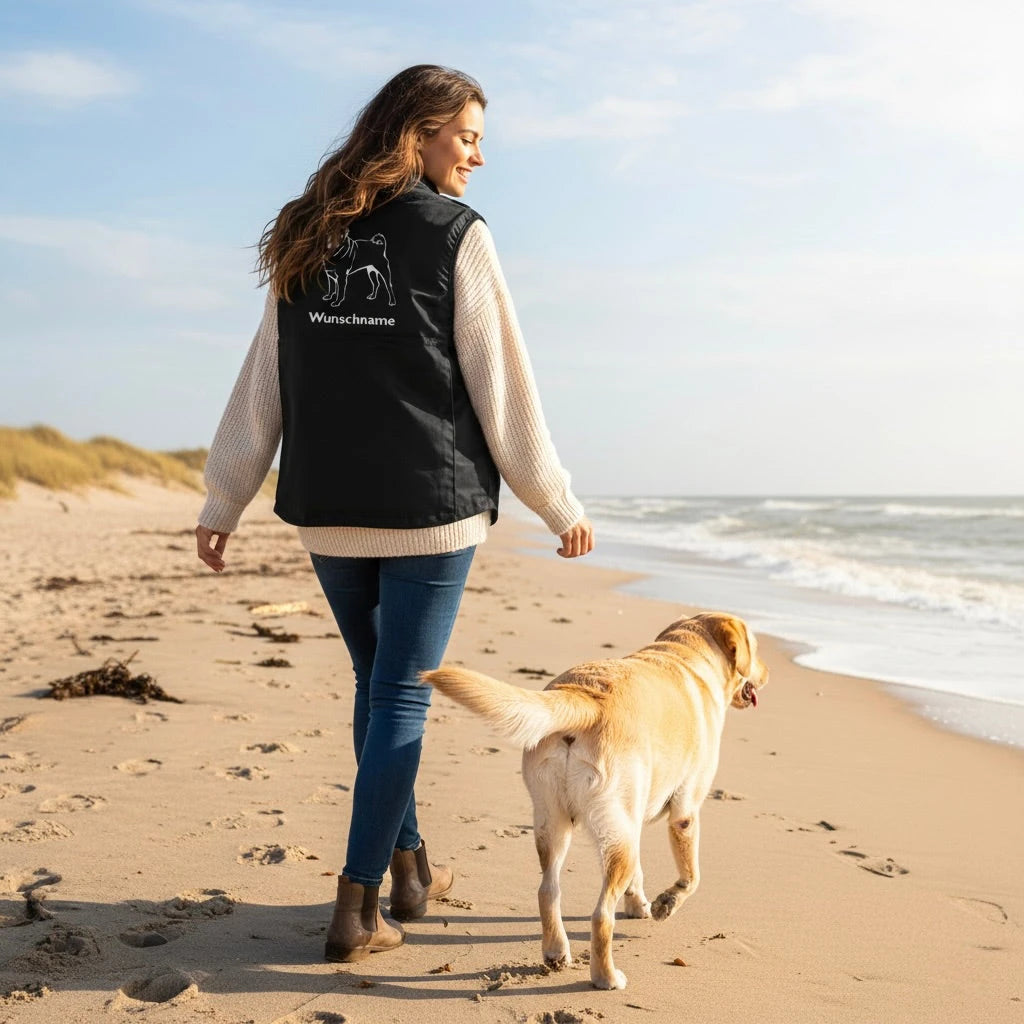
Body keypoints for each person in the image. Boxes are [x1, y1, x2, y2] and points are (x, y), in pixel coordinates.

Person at [194, 64, 593, 964]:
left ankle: (410, 874)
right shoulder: (458, 235)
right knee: (398, 701)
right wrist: (555, 499)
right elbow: (503, 388)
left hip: (328, 510)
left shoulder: (308, 228)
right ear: (417, 134)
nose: (478, 157)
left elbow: (265, 380)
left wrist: (226, 494)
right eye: (468, 137)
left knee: (378, 689)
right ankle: (356, 908)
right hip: (428, 510)